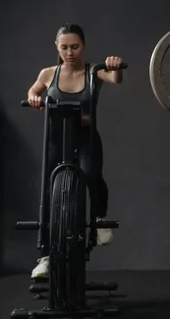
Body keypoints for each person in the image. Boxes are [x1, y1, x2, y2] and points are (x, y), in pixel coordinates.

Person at [26, 23, 124, 280]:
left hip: (86, 136)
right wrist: (36, 97)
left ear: (83, 46)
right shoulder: (49, 73)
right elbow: (34, 90)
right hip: (56, 139)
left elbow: (115, 78)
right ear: (57, 47)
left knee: (91, 174)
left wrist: (113, 65)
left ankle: (99, 219)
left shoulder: (93, 72)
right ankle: (45, 256)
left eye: (75, 47)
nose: (70, 52)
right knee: (48, 189)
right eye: (65, 47)